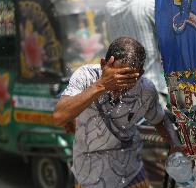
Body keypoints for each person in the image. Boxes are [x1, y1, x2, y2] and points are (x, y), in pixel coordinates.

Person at [53, 37, 182, 188]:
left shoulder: (145, 90)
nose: (119, 88)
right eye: (115, 79)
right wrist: (101, 85)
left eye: (127, 81)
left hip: (131, 175)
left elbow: (160, 120)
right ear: (103, 65)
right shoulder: (86, 76)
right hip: (89, 176)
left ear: (139, 74)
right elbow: (59, 117)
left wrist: (175, 144)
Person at [105, 0, 169, 108]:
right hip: (153, 89)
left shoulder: (109, 8)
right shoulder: (149, 5)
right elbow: (170, 43)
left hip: (121, 95)